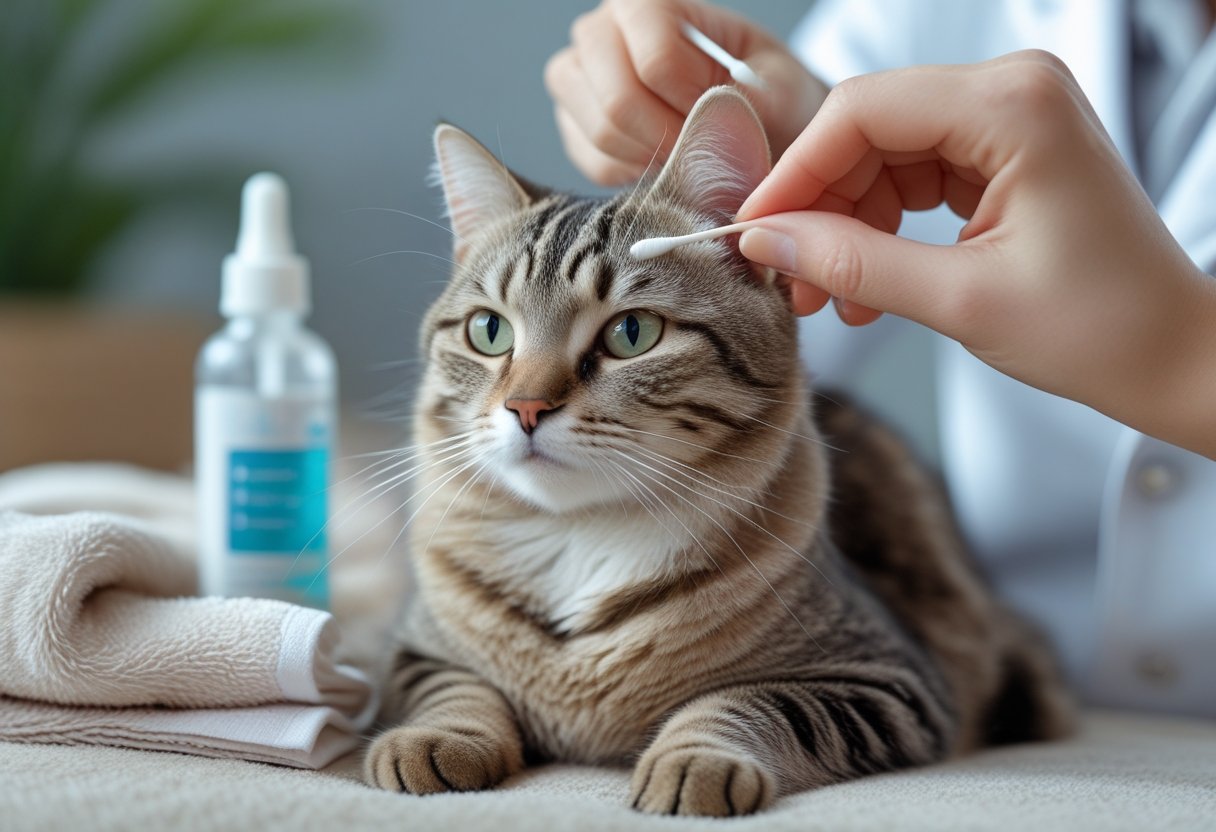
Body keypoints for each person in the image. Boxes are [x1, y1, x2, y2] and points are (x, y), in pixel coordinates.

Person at [546, 0, 1216, 718]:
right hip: (1038, 703)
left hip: (987, 691)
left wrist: (1188, 366)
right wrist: (780, 160)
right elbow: (742, 369)